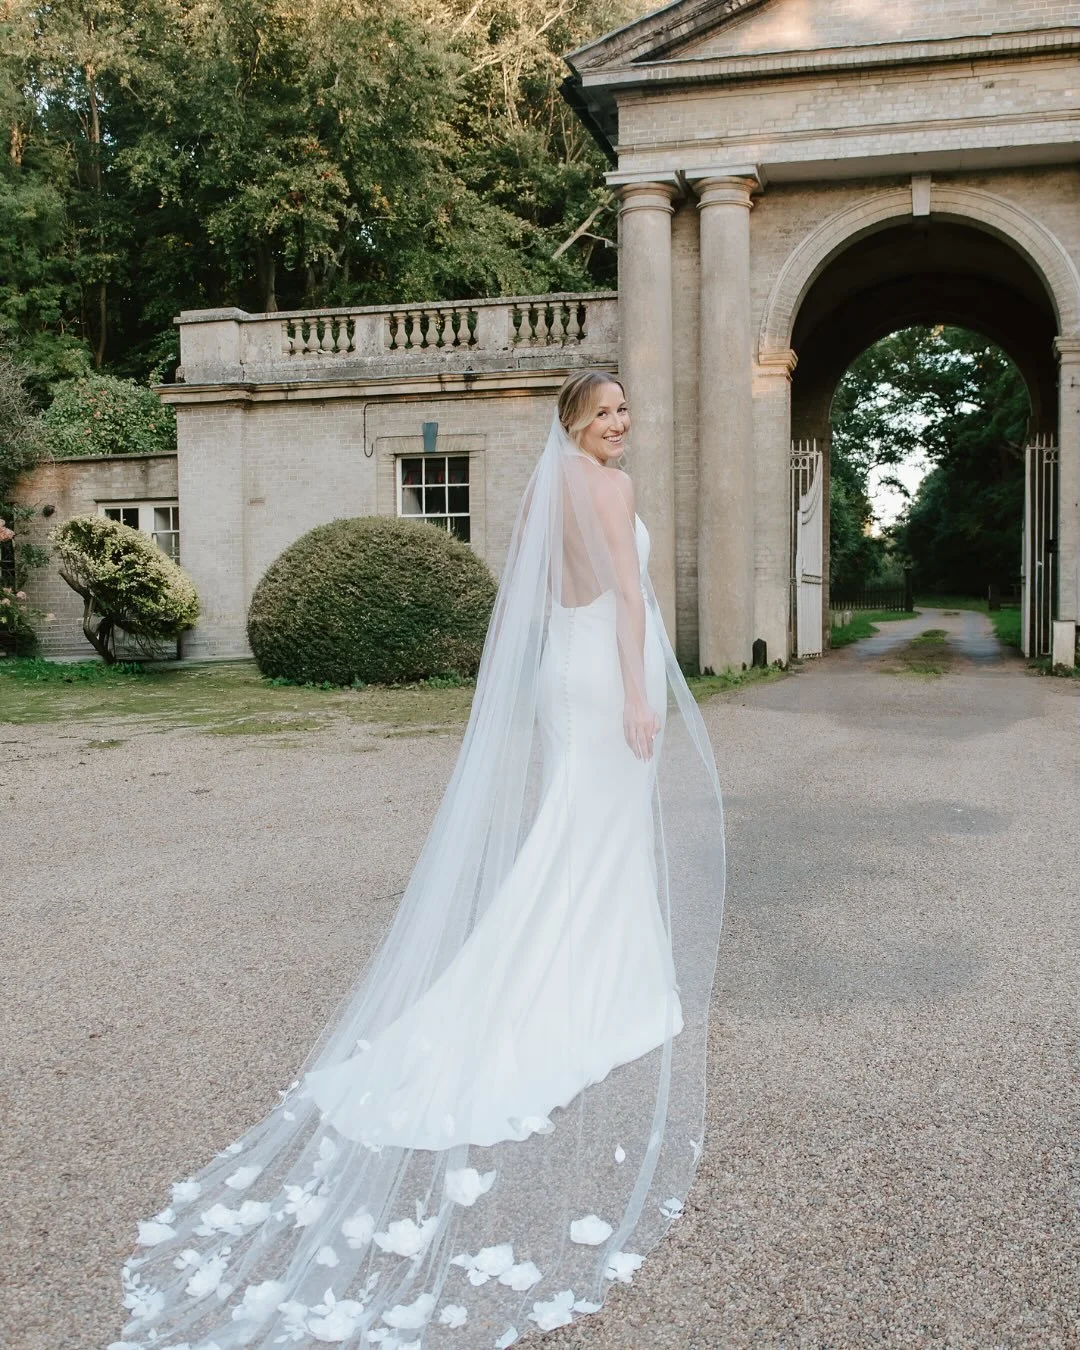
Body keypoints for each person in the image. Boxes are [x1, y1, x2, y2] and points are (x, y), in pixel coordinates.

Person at [111, 371, 725, 1350]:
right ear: (574, 421)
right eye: (604, 413)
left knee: (573, 827)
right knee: (593, 828)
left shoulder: (540, 485)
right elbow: (624, 599)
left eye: (624, 411)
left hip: (558, 677)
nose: (619, 425)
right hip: (606, 676)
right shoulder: (608, 488)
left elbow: (535, 584)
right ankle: (598, 982)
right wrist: (639, 694)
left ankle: (581, 963)